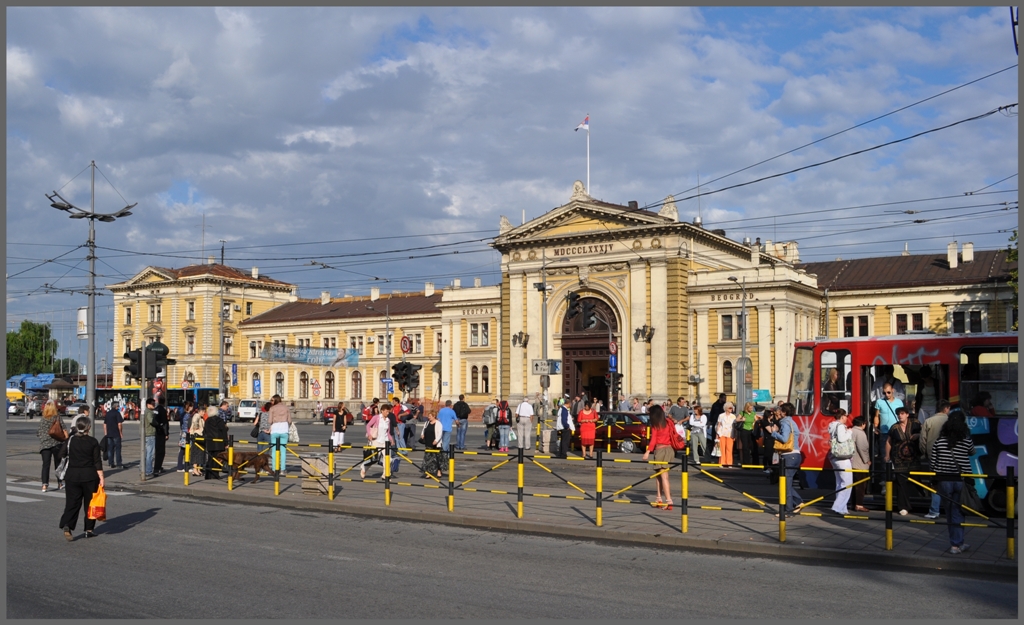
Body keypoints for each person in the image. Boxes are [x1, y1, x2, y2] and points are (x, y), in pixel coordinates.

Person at [930, 408, 975, 554]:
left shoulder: (939, 442)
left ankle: (955, 544)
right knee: (958, 512)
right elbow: (972, 452)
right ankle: (957, 543)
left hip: (944, 480)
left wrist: (933, 479)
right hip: (960, 480)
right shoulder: (966, 441)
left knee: (949, 512)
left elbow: (933, 463)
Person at [58, 417, 104, 541]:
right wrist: (101, 477)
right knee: (90, 504)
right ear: (89, 427)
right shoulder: (93, 441)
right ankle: (89, 530)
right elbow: (97, 461)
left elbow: (61, 454)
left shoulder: (70, 440)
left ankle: (67, 525)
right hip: (89, 476)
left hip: (72, 476)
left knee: (72, 503)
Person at [884, 406, 920, 515]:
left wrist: (918, 435)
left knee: (917, 481)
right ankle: (903, 506)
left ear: (907, 414)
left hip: (914, 458)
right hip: (899, 459)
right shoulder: (894, 428)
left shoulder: (915, 424)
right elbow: (888, 442)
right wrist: (887, 455)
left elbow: (924, 435)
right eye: (899, 414)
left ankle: (917, 501)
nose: (900, 416)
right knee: (901, 482)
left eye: (902, 413)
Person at [768, 402, 802, 515]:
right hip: (796, 454)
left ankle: (788, 510)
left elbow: (784, 438)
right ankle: (798, 502)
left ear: (784, 412)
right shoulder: (792, 422)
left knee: (785, 484)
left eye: (781, 410)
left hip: (789, 455)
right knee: (787, 482)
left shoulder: (785, 423)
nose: (779, 412)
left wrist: (774, 433)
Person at [920, 400, 952, 519]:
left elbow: (922, 441)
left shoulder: (928, 421)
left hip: (933, 457)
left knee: (935, 484)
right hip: (949, 457)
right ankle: (951, 510)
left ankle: (934, 510)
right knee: (950, 483)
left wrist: (925, 453)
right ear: (946, 408)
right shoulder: (951, 422)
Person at [641, 405, 674, 510]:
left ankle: (669, 501)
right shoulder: (669, 422)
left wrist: (647, 452)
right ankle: (658, 499)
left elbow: (653, 440)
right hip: (669, 450)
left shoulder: (656, 425)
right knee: (659, 475)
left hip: (660, 450)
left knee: (663, 476)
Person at [37, 400, 67, 492]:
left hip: (44, 445)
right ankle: (60, 483)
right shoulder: (57, 417)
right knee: (58, 465)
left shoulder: (43, 419)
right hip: (56, 443)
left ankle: (44, 485)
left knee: (45, 465)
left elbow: (39, 432)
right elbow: (64, 429)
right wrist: (66, 439)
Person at [828, 409, 854, 515]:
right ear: (842, 416)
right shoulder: (840, 426)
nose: (847, 418)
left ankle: (843, 508)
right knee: (847, 483)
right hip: (843, 458)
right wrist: (849, 432)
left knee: (840, 483)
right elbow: (842, 439)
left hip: (835, 457)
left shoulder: (832, 426)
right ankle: (837, 507)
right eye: (846, 416)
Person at [873, 382, 903, 462]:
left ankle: (896, 473)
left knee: (898, 454)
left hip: (897, 431)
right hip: (884, 432)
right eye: (884, 393)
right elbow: (876, 416)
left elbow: (903, 416)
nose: (886, 394)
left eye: (888, 392)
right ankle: (885, 474)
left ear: (893, 390)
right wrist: (875, 427)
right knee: (885, 456)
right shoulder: (879, 402)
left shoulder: (899, 402)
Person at [360, 405, 390, 479]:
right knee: (374, 459)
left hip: (385, 442)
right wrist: (369, 434)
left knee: (388, 458)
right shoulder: (376, 417)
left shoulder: (388, 420)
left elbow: (388, 432)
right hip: (376, 441)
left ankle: (385, 475)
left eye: (388, 411)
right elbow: (368, 425)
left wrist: (391, 440)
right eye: (386, 411)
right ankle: (364, 468)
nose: (388, 413)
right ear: (382, 411)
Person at [850, 416, 871, 512]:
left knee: (854, 485)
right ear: (863, 424)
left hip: (852, 463)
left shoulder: (850, 431)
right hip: (860, 464)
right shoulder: (860, 433)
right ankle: (859, 504)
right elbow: (863, 448)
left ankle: (853, 503)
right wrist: (867, 460)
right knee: (861, 485)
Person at [267, 395, 292, 475]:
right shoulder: (286, 408)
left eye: (272, 400)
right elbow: (290, 420)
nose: (271, 402)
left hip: (275, 430)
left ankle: (274, 468)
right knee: (283, 451)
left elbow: (270, 421)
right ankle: (283, 469)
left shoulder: (272, 408)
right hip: (284, 429)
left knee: (274, 450)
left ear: (275, 400)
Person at [203, 406, 229, 479]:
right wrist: (226, 443)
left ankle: (208, 475)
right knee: (217, 459)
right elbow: (223, 432)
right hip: (219, 442)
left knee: (210, 459)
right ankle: (215, 475)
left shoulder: (207, 421)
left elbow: (205, 431)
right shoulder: (219, 420)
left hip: (210, 442)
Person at [419, 411, 444, 479]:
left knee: (437, 458)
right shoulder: (427, 423)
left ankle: (439, 471)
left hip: (435, 444)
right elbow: (424, 430)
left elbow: (440, 433)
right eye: (428, 416)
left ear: (434, 416)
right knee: (428, 459)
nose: (428, 417)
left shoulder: (438, 424)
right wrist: (422, 435)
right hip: (428, 443)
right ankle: (429, 472)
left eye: (430, 416)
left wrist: (436, 440)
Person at [103, 402, 125, 470]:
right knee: (118, 449)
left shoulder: (108, 413)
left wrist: (106, 433)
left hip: (109, 434)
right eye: (118, 406)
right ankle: (119, 463)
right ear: (116, 407)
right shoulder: (117, 413)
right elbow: (119, 424)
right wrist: (121, 433)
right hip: (116, 434)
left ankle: (111, 463)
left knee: (110, 449)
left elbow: (105, 424)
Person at [735, 401, 757, 466]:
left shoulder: (753, 413)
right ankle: (746, 464)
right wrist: (742, 419)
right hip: (744, 430)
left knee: (753, 447)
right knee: (745, 447)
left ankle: (754, 463)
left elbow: (756, 420)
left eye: (752, 408)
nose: (751, 409)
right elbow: (736, 420)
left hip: (751, 431)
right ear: (747, 408)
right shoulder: (743, 413)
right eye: (750, 408)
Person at [715, 402, 737, 468]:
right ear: (726, 408)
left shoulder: (733, 416)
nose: (731, 409)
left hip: (730, 434)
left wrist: (735, 435)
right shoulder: (721, 415)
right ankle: (721, 462)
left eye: (732, 408)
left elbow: (734, 426)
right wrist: (717, 434)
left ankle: (729, 463)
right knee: (721, 449)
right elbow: (718, 425)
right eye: (730, 408)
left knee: (729, 449)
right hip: (721, 433)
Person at [188, 405, 207, 476]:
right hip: (197, 435)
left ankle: (197, 469)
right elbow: (195, 422)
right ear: (200, 411)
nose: (204, 413)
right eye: (203, 411)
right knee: (196, 453)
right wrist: (196, 428)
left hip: (199, 435)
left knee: (199, 453)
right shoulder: (197, 416)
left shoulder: (200, 417)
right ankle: (195, 469)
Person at [153, 400, 170, 475]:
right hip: (161, 433)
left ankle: (157, 467)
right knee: (161, 451)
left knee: (157, 451)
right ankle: (158, 467)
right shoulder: (163, 410)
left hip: (156, 432)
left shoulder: (155, 409)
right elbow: (165, 423)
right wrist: (166, 433)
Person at [142, 398, 157, 478]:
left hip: (145, 434)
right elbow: (151, 421)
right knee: (150, 454)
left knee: (145, 453)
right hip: (150, 434)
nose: (154, 405)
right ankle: (148, 471)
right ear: (148, 404)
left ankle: (143, 469)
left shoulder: (144, 411)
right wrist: (157, 425)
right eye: (152, 404)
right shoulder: (149, 412)